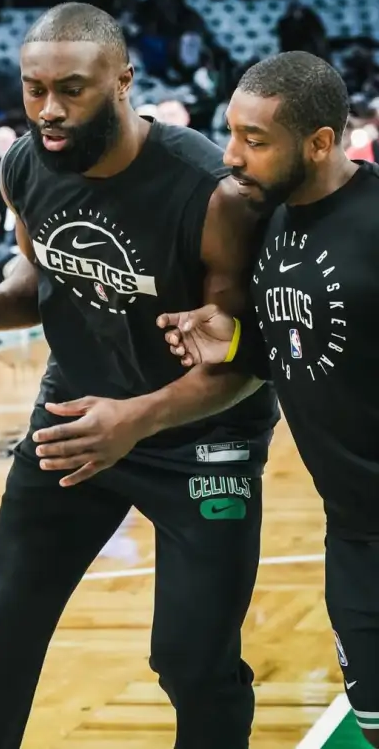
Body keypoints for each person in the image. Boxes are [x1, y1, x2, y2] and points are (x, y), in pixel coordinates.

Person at [0, 2, 278, 749]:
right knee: (5, 620)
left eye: (71, 89)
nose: (49, 110)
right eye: (34, 89)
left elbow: (246, 360)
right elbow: (41, 275)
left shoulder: (210, 191)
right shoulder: (26, 164)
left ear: (122, 81)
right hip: (75, 418)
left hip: (202, 437)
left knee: (193, 661)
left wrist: (136, 420)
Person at [157, 51, 379, 748]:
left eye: (255, 139)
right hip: (353, 533)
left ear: (319, 142)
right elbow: (294, 347)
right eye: (231, 132)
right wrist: (232, 342)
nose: (231, 155)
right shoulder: (268, 224)